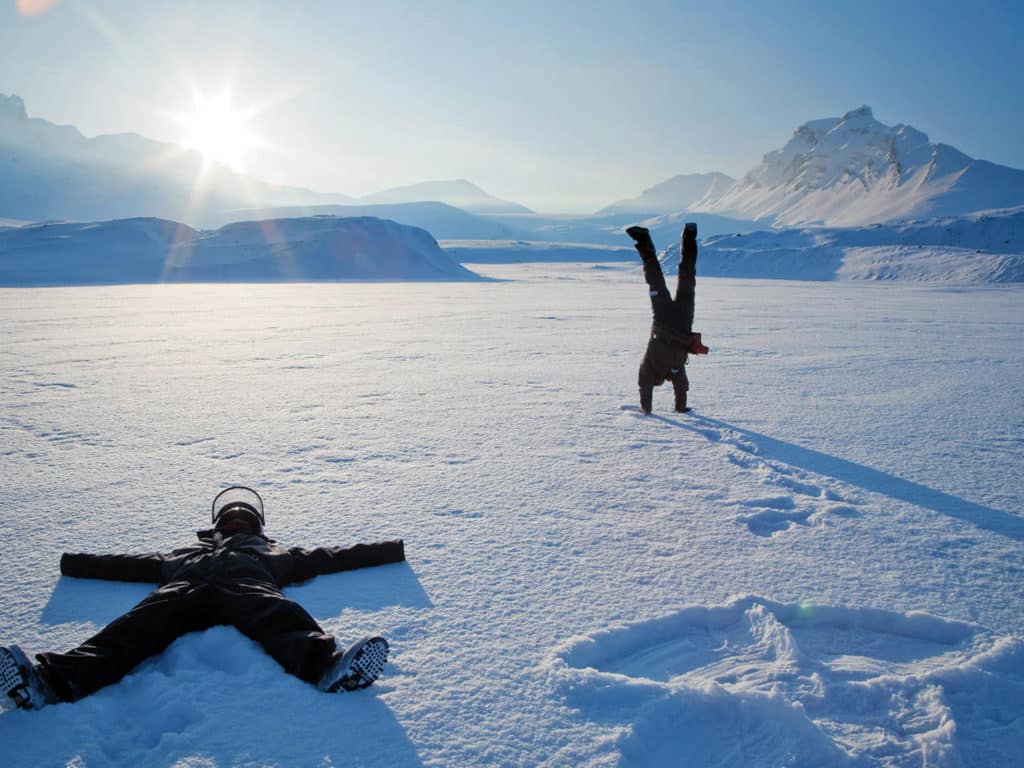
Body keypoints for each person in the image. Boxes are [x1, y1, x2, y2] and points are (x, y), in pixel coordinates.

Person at [0, 486, 405, 711]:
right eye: (230, 517)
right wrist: (72, 562)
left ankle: (328, 669)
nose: (235, 521)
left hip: (246, 587)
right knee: (135, 624)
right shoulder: (183, 554)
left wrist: (393, 549)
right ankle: (52, 683)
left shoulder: (277, 554)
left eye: (243, 517)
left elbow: (335, 557)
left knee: (279, 611)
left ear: (256, 526)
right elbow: (125, 565)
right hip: (184, 590)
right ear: (216, 525)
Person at [626, 222, 709, 414]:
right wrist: (680, 408)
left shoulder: (650, 369)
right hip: (676, 321)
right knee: (683, 278)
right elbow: (681, 387)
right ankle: (688, 237)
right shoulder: (675, 371)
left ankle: (644, 240)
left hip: (670, 320)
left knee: (663, 279)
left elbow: (645, 386)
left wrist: (647, 410)